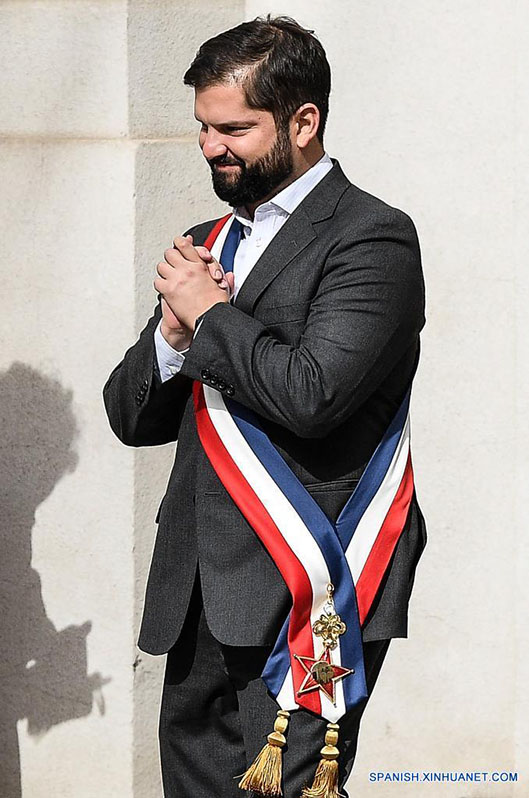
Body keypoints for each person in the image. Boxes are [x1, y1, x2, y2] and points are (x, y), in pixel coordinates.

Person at [103, 15, 427, 798]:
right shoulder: (206, 240)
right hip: (195, 586)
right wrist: (173, 336)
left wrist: (209, 316)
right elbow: (132, 417)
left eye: (234, 129)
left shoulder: (371, 238)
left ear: (302, 122)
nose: (210, 147)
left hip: (310, 584)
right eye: (203, 127)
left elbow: (312, 394)